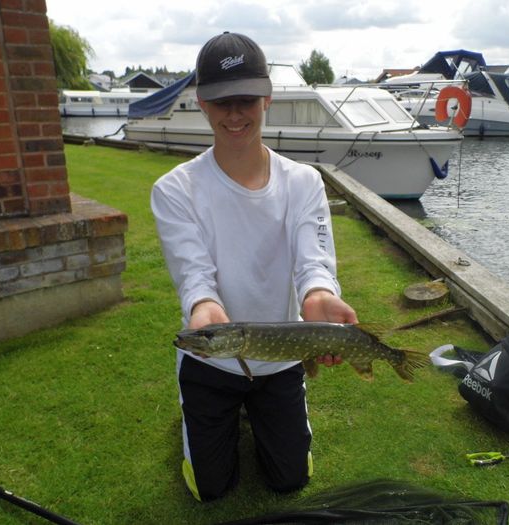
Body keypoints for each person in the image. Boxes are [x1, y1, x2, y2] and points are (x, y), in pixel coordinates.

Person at [150, 31, 358, 502]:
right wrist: (203, 307)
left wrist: (320, 296)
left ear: (266, 98)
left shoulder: (304, 182)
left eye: (245, 99)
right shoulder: (174, 190)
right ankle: (196, 412)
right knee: (210, 489)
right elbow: (193, 273)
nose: (234, 113)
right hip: (212, 358)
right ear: (202, 102)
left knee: (289, 480)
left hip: (283, 358)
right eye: (222, 101)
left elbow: (313, 263)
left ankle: (270, 414)